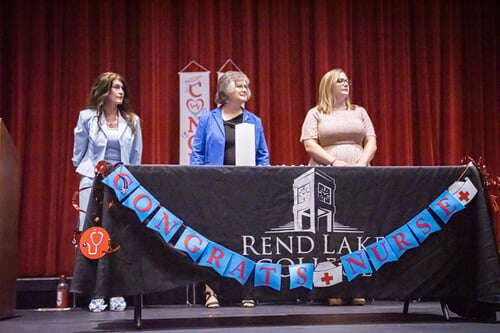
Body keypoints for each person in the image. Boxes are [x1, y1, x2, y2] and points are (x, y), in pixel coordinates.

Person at [191, 71, 270, 308]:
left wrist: (260, 180)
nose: (245, 89)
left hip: (244, 189)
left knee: (245, 239)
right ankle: (210, 290)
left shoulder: (254, 121)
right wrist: (199, 180)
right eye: (239, 85)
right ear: (225, 90)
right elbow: (197, 153)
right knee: (212, 240)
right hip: (214, 187)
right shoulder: (208, 119)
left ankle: (247, 290)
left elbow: (263, 155)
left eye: (247, 85)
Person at [300, 68, 377, 305]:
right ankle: (330, 288)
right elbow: (310, 145)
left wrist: (362, 163)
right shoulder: (316, 114)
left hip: (359, 176)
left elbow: (372, 141)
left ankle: (356, 287)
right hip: (326, 175)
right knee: (329, 232)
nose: (346, 84)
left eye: (347, 80)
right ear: (328, 86)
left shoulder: (360, 112)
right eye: (340, 81)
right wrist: (334, 162)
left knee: (357, 232)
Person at [72, 72, 143, 312]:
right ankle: (96, 293)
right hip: (94, 181)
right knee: (93, 236)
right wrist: (90, 172)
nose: (121, 92)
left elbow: (135, 158)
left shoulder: (132, 120)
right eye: (115, 87)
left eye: (122, 87)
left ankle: (117, 292)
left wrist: (125, 178)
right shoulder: (87, 118)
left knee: (117, 237)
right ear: (104, 91)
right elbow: (78, 154)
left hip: (121, 183)